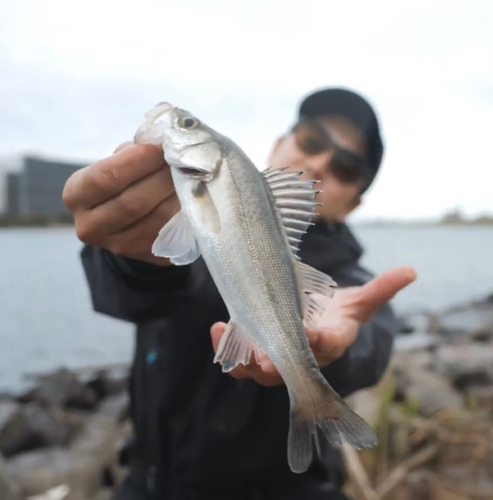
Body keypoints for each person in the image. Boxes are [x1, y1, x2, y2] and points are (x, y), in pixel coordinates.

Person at [63, 87, 416, 500]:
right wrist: (135, 257)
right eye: (312, 140)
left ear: (355, 203)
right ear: (278, 143)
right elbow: (133, 293)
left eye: (347, 167)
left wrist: (336, 351)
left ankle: (313, 399)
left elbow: (369, 349)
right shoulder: (185, 224)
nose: (319, 162)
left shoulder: (352, 280)